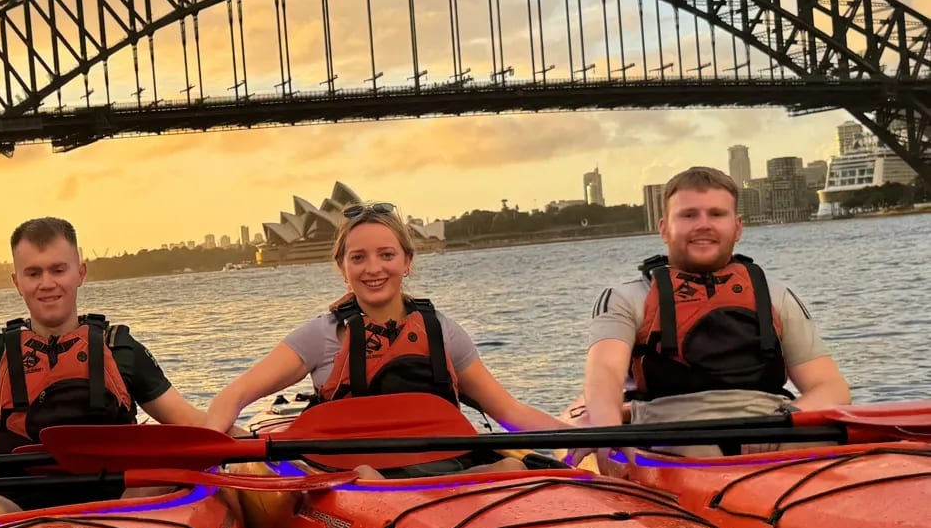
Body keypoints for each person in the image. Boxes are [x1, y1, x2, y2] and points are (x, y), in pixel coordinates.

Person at [202, 202, 568, 469]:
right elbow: (235, 394)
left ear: (406, 262)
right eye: (358, 258)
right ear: (342, 268)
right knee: (366, 475)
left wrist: (584, 439)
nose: (373, 268)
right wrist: (214, 444)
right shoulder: (322, 335)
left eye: (386, 255)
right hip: (363, 480)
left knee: (511, 467)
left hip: (441, 467)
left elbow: (508, 411)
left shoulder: (442, 332)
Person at [0, 216, 205, 515]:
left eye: (58, 270)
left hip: (116, 493)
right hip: (18, 496)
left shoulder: (120, 350)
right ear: (17, 282)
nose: (47, 283)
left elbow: (189, 423)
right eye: (33, 273)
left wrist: (242, 442)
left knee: (162, 480)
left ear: (80, 273)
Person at [580, 165, 850, 457]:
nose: (703, 225)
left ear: (737, 227)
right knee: (696, 451)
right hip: (672, 431)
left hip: (769, 428)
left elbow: (830, 387)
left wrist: (783, 419)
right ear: (664, 229)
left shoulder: (776, 295)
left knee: (816, 443)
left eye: (717, 214)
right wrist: (611, 440)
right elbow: (605, 375)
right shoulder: (626, 298)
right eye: (688, 215)